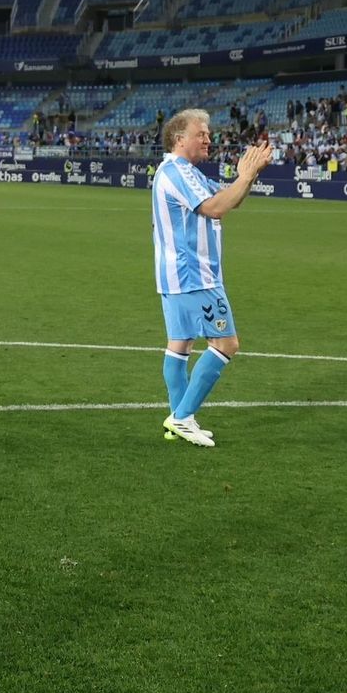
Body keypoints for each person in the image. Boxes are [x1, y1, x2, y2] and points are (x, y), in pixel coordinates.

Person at [151, 110, 272, 447]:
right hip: (195, 276)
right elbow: (216, 208)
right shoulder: (177, 171)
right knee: (226, 343)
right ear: (179, 139)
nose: (208, 138)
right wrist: (245, 175)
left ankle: (178, 418)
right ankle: (182, 417)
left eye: (208, 133)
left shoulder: (186, 173)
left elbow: (229, 200)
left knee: (180, 345)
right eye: (200, 133)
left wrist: (247, 177)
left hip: (176, 277)